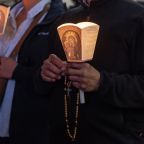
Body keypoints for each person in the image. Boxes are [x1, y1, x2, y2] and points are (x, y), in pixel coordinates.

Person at [34, 0, 144, 144]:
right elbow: (40, 85)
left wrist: (101, 82)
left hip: (116, 137)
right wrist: (45, 74)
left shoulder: (137, 18)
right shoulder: (64, 20)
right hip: (61, 135)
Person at [0, 0, 65, 144]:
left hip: (26, 129)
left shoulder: (59, 18)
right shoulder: (8, 12)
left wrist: (17, 71)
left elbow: (61, 80)